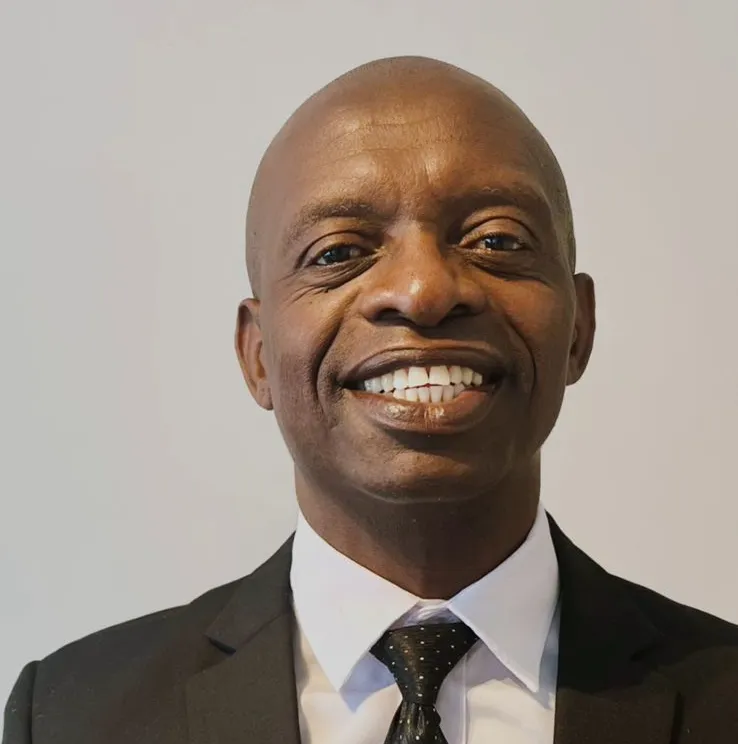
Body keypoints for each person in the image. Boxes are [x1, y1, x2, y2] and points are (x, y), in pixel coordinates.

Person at [4, 55, 738, 744]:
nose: (423, 291)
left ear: (578, 329)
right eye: (338, 253)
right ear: (257, 356)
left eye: (497, 240)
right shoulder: (73, 717)